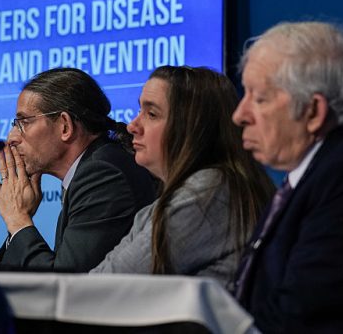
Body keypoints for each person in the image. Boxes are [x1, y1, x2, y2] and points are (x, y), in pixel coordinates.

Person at [90, 66, 274, 286]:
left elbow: (109, 284)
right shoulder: (168, 201)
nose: (132, 126)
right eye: (139, 111)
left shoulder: (209, 191)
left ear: (192, 127)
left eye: (151, 114)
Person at [231, 21, 343, 332]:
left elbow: (302, 312)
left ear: (312, 112)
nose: (239, 115)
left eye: (260, 98)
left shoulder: (338, 178)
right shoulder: (307, 175)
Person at [0, 67, 156, 272]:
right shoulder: (89, 170)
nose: (11, 138)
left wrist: (18, 220)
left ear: (65, 126)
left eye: (23, 122)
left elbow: (64, 283)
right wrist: (18, 224)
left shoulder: (102, 175)